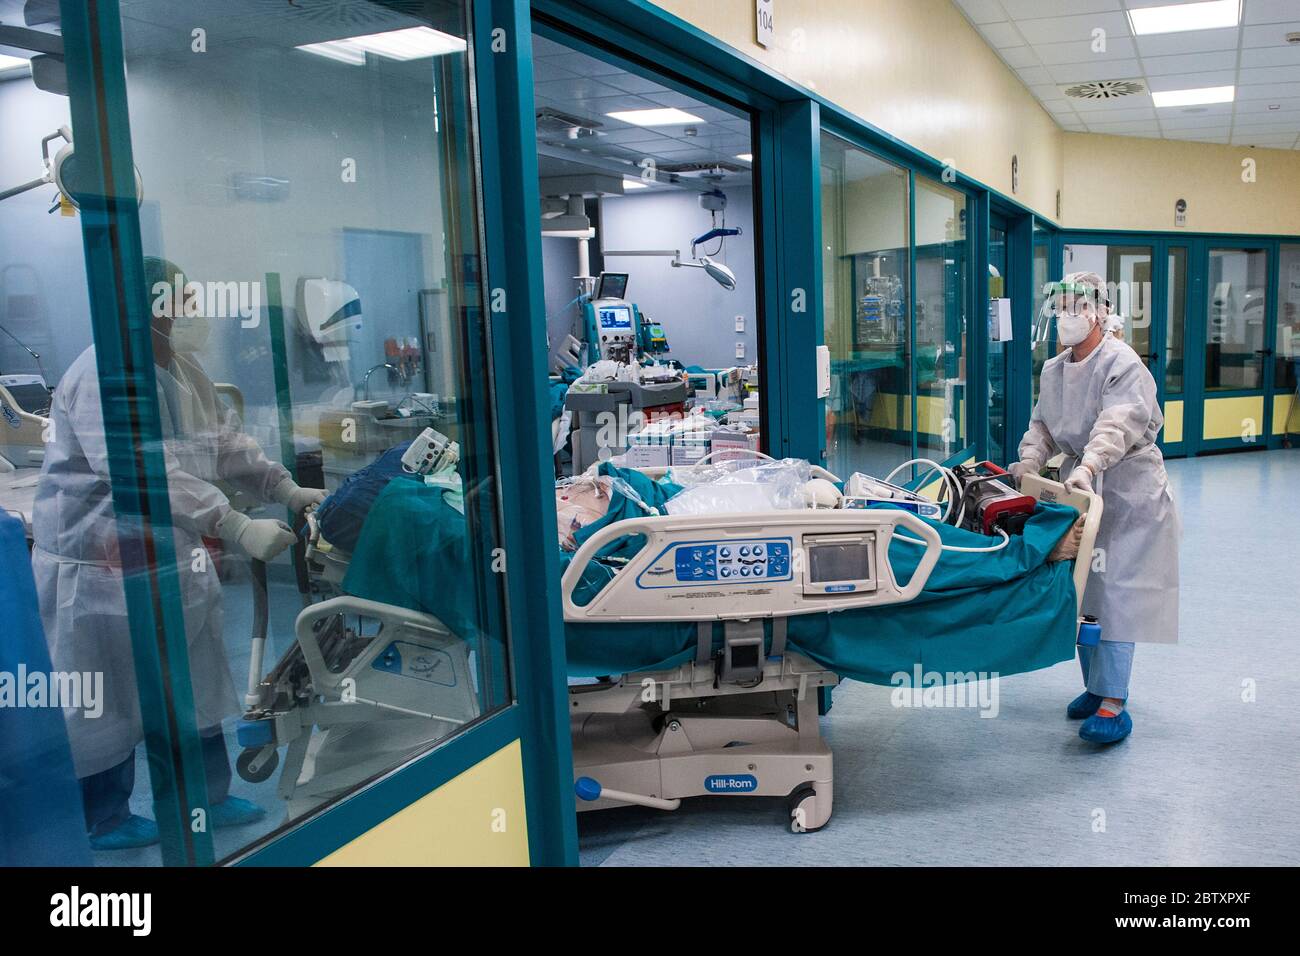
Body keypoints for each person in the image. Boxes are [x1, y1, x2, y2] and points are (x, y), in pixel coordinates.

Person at [31, 257, 326, 849]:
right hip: (98, 569)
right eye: (182, 300)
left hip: (170, 555)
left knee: (190, 681)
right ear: (144, 309)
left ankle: (204, 799)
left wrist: (283, 488)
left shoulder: (183, 369)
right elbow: (142, 471)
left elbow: (226, 444)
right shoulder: (101, 375)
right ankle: (105, 815)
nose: (195, 311)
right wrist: (233, 522)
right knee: (106, 701)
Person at [1010, 271, 1180, 745]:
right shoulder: (1054, 368)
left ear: (1101, 312)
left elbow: (1118, 424)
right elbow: (1043, 423)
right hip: (1083, 488)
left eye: (1078, 306)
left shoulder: (1121, 362)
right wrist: (1029, 460)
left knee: (1118, 592)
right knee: (1085, 588)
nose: (1069, 315)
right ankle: (1094, 687)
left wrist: (1089, 464)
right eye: (1061, 306)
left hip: (1128, 490)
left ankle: (1114, 702)